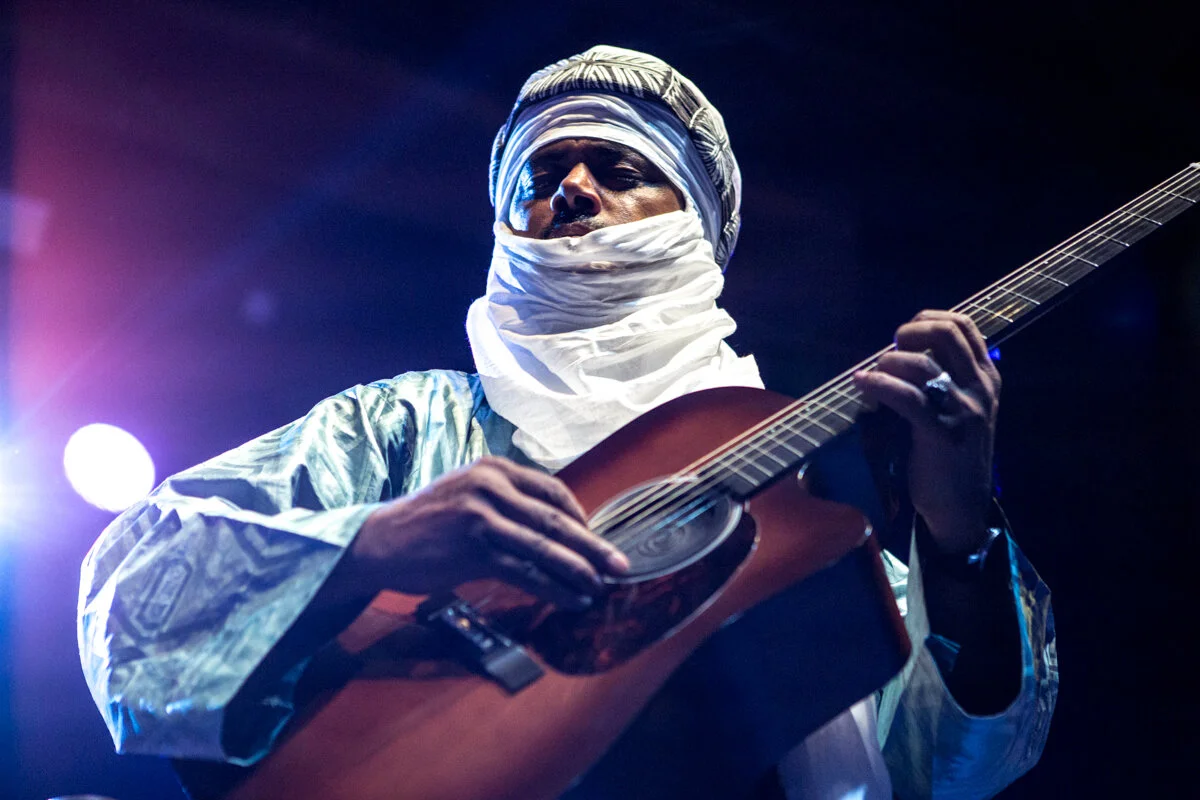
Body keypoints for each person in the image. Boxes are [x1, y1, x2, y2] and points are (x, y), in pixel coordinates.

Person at [78, 45, 1057, 799]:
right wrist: (371, 544)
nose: (572, 191)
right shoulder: (402, 424)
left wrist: (961, 528)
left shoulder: (806, 514)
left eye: (621, 167)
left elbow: (956, 766)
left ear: (697, 221)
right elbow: (131, 596)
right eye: (538, 180)